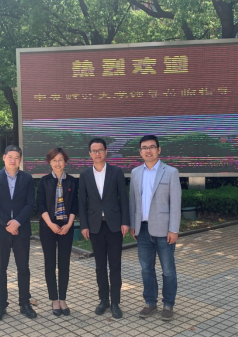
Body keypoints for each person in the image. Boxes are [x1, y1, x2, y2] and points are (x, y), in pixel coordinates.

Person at [129, 135, 181, 321]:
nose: (148, 150)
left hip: (164, 231)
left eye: (152, 147)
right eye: (144, 148)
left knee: (168, 270)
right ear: (140, 152)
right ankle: (150, 302)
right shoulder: (135, 172)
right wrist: (133, 225)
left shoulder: (171, 172)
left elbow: (175, 203)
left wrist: (174, 229)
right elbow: (133, 201)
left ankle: (168, 304)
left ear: (159, 150)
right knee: (146, 269)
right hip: (142, 230)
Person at [79, 138, 130, 319]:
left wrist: (125, 222)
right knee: (100, 266)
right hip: (95, 226)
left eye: (100, 150)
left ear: (106, 151)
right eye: (94, 151)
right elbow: (82, 202)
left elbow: (123, 199)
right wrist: (84, 225)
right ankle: (103, 301)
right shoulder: (85, 175)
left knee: (115, 265)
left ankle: (115, 302)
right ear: (90, 154)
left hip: (114, 225)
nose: (97, 153)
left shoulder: (116, 172)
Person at [0, 145, 37, 322]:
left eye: (17, 157)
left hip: (21, 230)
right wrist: (8, 223)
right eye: (10, 156)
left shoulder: (27, 178)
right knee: (0, 269)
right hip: (0, 230)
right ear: (4, 157)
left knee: (24, 268)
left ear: (20, 159)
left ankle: (25, 303)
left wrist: (17, 222)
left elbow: (30, 203)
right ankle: (1, 305)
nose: (13, 160)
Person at [36, 148, 78, 317]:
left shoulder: (72, 181)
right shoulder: (44, 181)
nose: (58, 163)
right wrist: (51, 224)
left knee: (64, 264)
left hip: (66, 227)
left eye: (60, 160)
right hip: (48, 227)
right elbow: (40, 205)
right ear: (50, 162)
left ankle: (63, 299)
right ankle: (54, 299)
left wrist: (69, 224)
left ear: (65, 162)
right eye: (54, 160)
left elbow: (75, 205)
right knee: (50, 263)